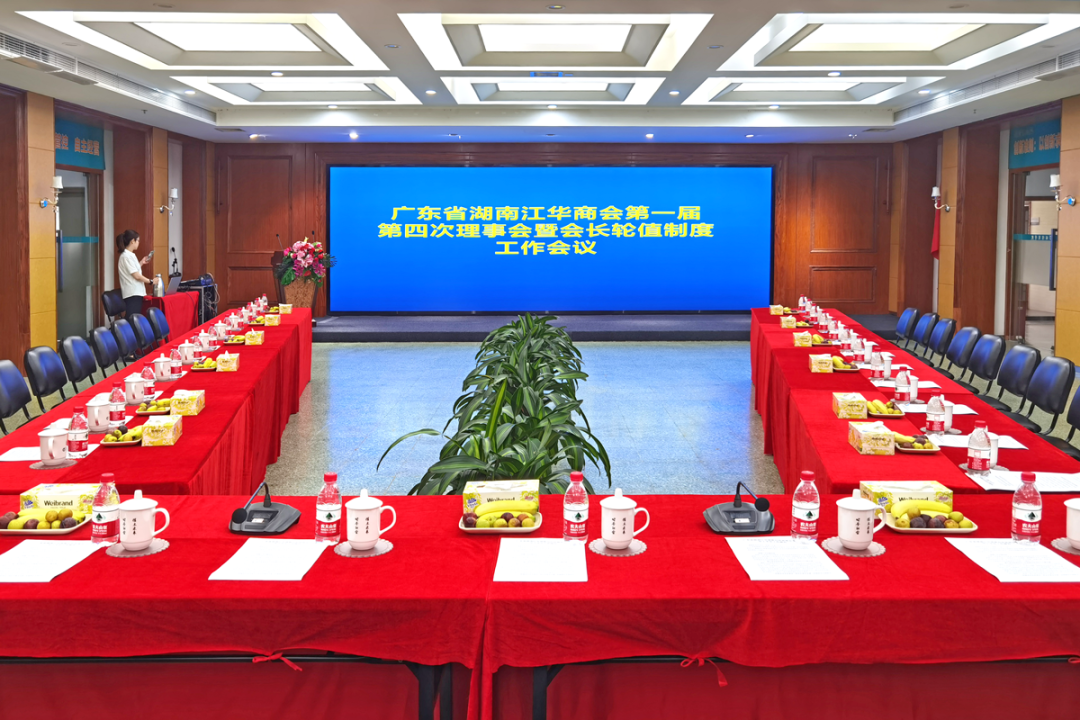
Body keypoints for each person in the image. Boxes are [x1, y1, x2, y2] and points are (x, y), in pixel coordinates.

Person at [116, 230, 152, 319]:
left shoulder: (130, 255)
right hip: (132, 293)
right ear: (132, 241)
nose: (138, 243)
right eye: (138, 240)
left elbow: (133, 271)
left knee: (135, 319)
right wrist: (151, 281)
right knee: (132, 319)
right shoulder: (126, 256)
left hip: (135, 292)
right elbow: (136, 276)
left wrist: (141, 263)